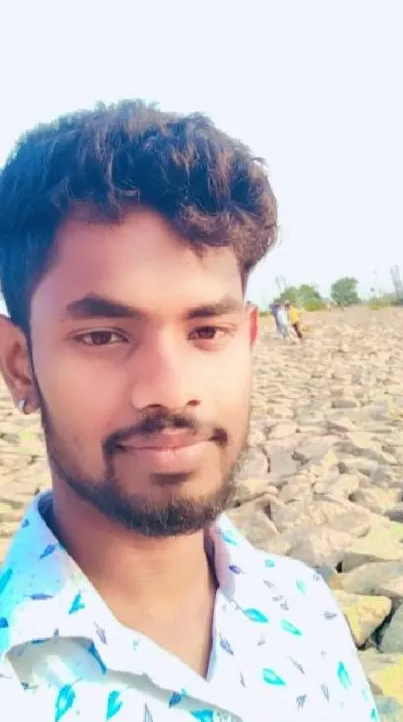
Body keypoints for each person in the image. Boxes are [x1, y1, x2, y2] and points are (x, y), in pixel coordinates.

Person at [0, 101, 378, 721]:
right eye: (103, 336)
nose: (170, 391)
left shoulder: (305, 607)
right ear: (20, 364)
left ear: (249, 340)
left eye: (207, 332)